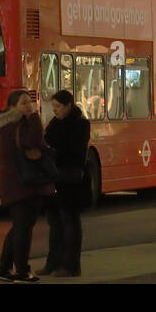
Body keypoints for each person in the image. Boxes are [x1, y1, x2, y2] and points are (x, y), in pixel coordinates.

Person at [0, 89, 55, 283]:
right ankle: (21, 270)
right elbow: (33, 141)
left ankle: (4, 269)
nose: (29, 106)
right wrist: (34, 117)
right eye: (23, 103)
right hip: (22, 180)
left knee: (20, 226)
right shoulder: (17, 123)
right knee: (23, 228)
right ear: (13, 107)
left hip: (15, 179)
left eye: (30, 102)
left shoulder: (8, 124)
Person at [41, 90, 90, 278]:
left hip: (70, 179)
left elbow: (73, 151)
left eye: (58, 107)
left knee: (69, 223)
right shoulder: (55, 123)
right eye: (53, 107)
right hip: (55, 178)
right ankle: (52, 263)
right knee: (55, 223)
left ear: (68, 105)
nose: (55, 111)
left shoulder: (79, 124)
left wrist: (53, 151)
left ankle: (70, 265)